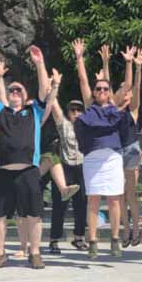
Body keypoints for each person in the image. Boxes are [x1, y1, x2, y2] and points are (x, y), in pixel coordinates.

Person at [0, 47, 57, 270]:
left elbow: (44, 91)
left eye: (19, 90)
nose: (14, 92)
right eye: (11, 90)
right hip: (3, 172)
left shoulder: (34, 113)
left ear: (25, 96)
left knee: (34, 215)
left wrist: (40, 64)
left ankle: (35, 253)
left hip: (28, 171)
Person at [72, 38, 134, 258]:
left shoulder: (115, 106)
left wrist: (128, 63)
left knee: (115, 198)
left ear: (109, 92)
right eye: (98, 88)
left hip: (112, 158)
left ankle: (115, 238)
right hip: (92, 159)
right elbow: (82, 80)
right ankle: (93, 241)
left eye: (105, 88)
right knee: (94, 199)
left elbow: (127, 86)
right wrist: (79, 57)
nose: (100, 91)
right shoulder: (90, 107)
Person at [47, 96, 88, 254]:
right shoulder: (64, 125)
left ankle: (79, 238)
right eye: (73, 110)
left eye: (79, 110)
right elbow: (55, 108)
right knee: (59, 205)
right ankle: (54, 240)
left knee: (82, 203)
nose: (76, 113)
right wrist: (53, 88)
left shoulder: (88, 126)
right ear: (68, 113)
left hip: (82, 167)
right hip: (65, 167)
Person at [120, 46, 142, 247]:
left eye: (128, 92)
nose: (126, 94)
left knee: (130, 193)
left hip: (130, 151)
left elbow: (136, 88)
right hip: (113, 153)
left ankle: (136, 229)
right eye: (123, 91)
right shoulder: (112, 110)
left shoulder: (134, 112)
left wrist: (137, 68)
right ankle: (126, 230)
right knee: (118, 194)